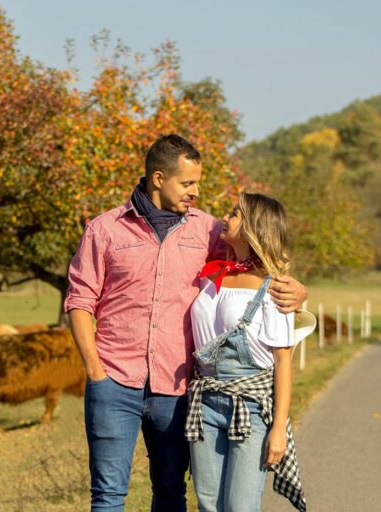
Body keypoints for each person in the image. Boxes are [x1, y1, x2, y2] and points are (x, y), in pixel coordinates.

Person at [64, 134, 307, 511]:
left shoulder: (209, 231)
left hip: (177, 389)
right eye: (187, 183)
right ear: (158, 178)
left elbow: (256, 262)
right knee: (108, 495)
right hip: (113, 381)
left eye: (198, 184)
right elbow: (79, 301)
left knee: (171, 493)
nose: (195, 192)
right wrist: (95, 372)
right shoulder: (104, 230)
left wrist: (298, 290)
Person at [185, 192, 306, 511]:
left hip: (251, 407)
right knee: (208, 504)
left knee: (239, 506)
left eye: (235, 214)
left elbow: (283, 362)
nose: (225, 217)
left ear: (255, 227)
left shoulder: (274, 289)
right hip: (205, 402)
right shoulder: (212, 276)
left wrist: (278, 428)